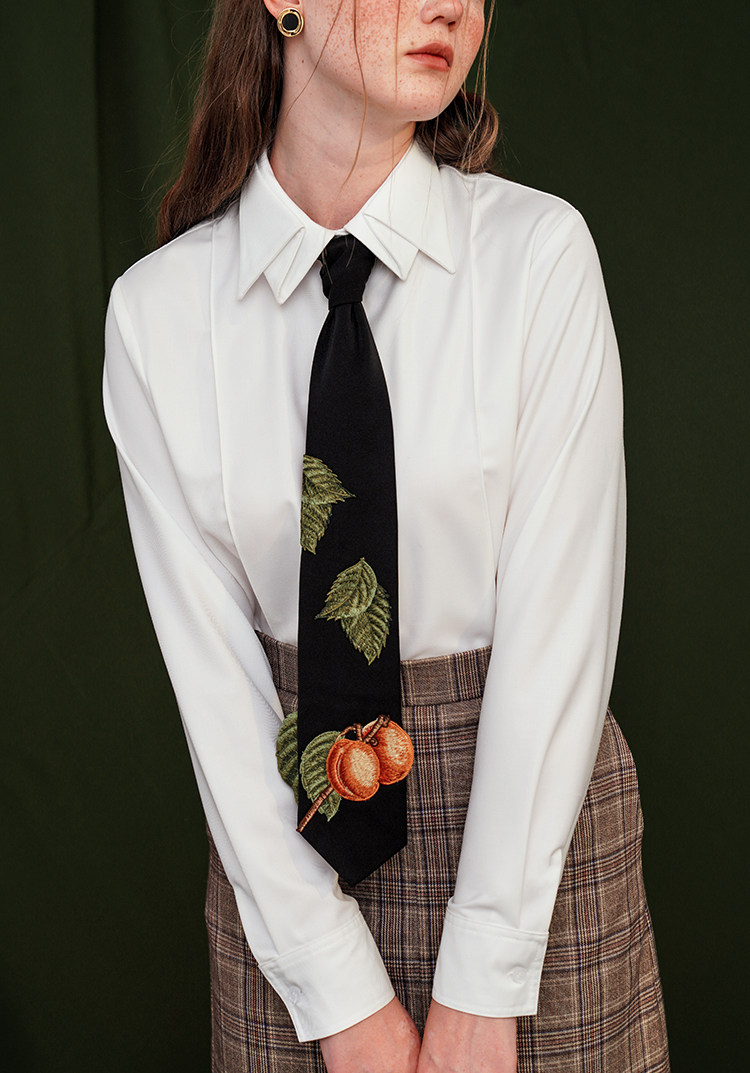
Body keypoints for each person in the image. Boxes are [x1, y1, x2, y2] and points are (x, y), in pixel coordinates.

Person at [103, 1, 669, 1071]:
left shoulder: (538, 259)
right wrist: (338, 996)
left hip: (536, 872)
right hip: (289, 892)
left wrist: (485, 978)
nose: (453, 7)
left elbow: (561, 636)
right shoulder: (158, 318)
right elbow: (216, 690)